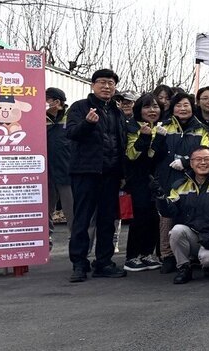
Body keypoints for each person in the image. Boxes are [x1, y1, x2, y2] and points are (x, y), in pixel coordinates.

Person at [68, 69, 128, 282]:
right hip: (85, 172)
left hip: (110, 174)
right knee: (82, 219)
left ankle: (103, 262)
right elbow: (71, 133)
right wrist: (87, 123)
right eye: (102, 82)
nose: (107, 87)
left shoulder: (117, 112)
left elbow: (121, 144)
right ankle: (79, 263)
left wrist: (122, 173)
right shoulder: (79, 107)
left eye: (111, 83)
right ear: (93, 85)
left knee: (107, 220)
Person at [151, 146, 209, 284]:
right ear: (191, 163)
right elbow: (169, 212)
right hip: (194, 236)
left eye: (207, 159)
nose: (203, 163)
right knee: (176, 230)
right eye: (198, 159)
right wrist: (161, 198)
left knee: (208, 259)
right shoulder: (180, 185)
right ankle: (184, 268)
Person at [157, 93, 209, 274]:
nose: (183, 108)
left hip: (192, 178)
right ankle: (167, 255)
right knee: (166, 217)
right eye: (179, 105)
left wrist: (188, 162)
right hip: (167, 177)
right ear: (172, 108)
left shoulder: (202, 129)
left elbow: (207, 151)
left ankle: (190, 255)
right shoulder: (163, 126)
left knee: (190, 214)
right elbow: (152, 153)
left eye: (186, 105)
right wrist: (157, 138)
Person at [122, 94, 167, 272]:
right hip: (137, 179)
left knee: (154, 217)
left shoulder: (160, 128)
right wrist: (145, 138)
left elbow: (154, 156)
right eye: (147, 107)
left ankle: (147, 254)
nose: (152, 110)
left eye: (156, 107)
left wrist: (158, 140)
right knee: (139, 217)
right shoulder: (132, 128)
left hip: (155, 180)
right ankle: (132, 256)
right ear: (139, 109)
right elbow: (133, 155)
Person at [46, 87, 74, 247]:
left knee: (71, 210)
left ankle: (74, 240)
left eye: (46, 101)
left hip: (67, 172)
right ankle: (46, 239)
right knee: (46, 208)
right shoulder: (39, 118)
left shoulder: (71, 117)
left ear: (57, 102)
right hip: (46, 172)